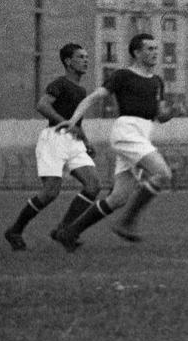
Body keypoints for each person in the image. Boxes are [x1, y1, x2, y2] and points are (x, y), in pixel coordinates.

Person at [54, 33, 176, 247]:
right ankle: (127, 223)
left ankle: (69, 232)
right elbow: (93, 97)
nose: (155, 53)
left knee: (119, 198)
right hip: (126, 132)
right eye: (149, 49)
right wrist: (73, 120)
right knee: (163, 174)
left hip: (143, 133)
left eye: (156, 49)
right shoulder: (123, 75)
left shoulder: (157, 81)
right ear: (136, 53)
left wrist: (172, 111)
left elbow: (160, 116)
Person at [4, 43, 102, 251]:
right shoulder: (60, 83)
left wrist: (86, 141)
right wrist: (64, 122)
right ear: (68, 61)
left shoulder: (81, 89)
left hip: (73, 142)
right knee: (50, 192)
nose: (86, 60)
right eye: (80, 57)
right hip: (54, 139)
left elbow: (77, 122)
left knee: (93, 185)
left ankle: (63, 230)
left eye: (86, 56)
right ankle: (15, 230)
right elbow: (42, 105)